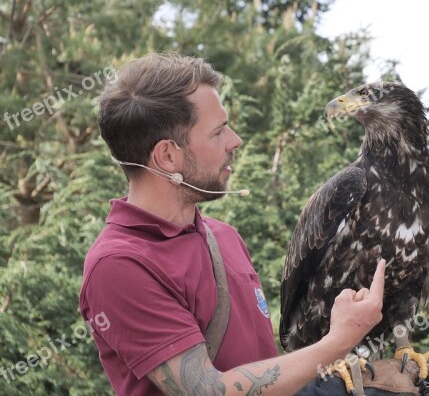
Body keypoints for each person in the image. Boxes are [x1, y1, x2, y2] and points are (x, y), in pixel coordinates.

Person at [79, 53, 390, 395]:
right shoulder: (119, 264)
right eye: (218, 132)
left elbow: (258, 370)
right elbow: (208, 390)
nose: (235, 140)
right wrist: (340, 339)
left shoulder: (222, 236)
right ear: (167, 156)